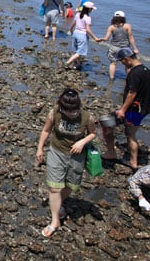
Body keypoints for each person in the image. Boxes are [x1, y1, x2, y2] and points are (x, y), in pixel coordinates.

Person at [36, 88, 96, 238]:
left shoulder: (87, 117)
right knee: (54, 188)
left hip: (76, 156)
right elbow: (45, 131)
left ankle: (57, 203)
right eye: (67, 111)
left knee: (71, 185)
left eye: (74, 111)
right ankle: (55, 220)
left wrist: (82, 141)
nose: (71, 114)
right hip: (57, 152)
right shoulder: (54, 113)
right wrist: (40, 148)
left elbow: (93, 133)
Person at [102, 48, 150, 170]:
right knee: (130, 133)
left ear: (127, 59)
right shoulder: (146, 70)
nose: (122, 64)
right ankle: (133, 160)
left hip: (133, 110)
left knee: (106, 123)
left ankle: (113, 154)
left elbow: (132, 93)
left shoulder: (134, 73)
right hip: (142, 109)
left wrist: (123, 110)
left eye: (122, 61)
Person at [97, 11, 139, 81]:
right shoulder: (127, 26)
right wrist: (135, 48)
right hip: (125, 49)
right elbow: (131, 37)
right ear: (123, 17)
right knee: (128, 65)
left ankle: (111, 79)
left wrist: (101, 39)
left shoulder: (111, 27)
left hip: (114, 48)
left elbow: (106, 38)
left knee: (113, 63)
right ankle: (128, 79)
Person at [65, 1, 99, 68]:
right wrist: (95, 38)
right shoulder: (88, 18)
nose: (92, 10)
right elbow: (88, 29)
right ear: (89, 9)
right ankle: (67, 63)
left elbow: (73, 23)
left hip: (75, 33)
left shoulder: (78, 14)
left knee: (76, 51)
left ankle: (77, 64)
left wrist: (71, 30)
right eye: (91, 9)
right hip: (82, 35)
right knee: (79, 52)